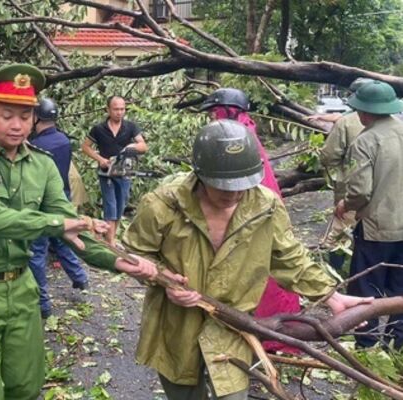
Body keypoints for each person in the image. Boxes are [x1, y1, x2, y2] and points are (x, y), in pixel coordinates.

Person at [0, 63, 157, 400]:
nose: (17, 125)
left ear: (35, 118)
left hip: (22, 288)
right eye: (7, 114)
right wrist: (60, 224)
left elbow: (70, 224)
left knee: (26, 386)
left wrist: (118, 262)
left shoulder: (40, 165)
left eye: (25, 116)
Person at [123, 119, 373, 400]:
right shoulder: (162, 205)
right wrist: (163, 279)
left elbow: (288, 257)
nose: (234, 194)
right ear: (201, 175)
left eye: (242, 185)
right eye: (223, 187)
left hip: (235, 325)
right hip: (175, 324)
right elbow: (134, 253)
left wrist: (331, 296)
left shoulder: (264, 205)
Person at [199, 87, 300, 354]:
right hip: (254, 210)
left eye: (214, 111)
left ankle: (266, 335)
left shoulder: (238, 139)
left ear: (228, 110)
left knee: (259, 276)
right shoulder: (241, 131)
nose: (212, 117)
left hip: (253, 214)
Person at [335, 80, 403, 349]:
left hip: (377, 227)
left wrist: (345, 204)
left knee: (366, 288)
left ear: (364, 112)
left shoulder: (366, 141)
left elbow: (361, 192)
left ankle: (367, 344)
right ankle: (398, 343)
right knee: (400, 286)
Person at [27, 98, 88, 319]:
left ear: (37, 118)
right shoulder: (63, 140)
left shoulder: (36, 146)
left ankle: (42, 304)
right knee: (64, 239)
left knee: (37, 251)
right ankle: (80, 278)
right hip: (62, 196)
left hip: (44, 200)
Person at [317, 78, 371, 269]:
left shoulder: (346, 122)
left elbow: (328, 157)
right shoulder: (398, 123)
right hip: (385, 192)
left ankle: (335, 276)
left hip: (352, 187)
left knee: (340, 232)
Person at [81, 95, 148, 246]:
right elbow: (85, 147)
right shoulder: (99, 129)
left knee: (121, 204)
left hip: (124, 171)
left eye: (122, 109)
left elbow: (144, 146)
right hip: (106, 172)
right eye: (116, 109)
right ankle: (109, 241)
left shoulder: (130, 127)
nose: (119, 112)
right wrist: (100, 160)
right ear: (108, 110)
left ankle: (112, 236)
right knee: (110, 204)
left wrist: (132, 147)